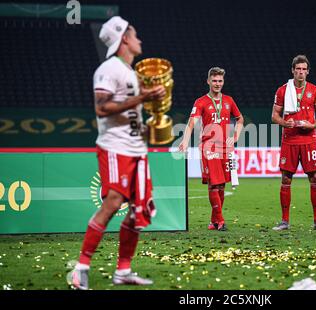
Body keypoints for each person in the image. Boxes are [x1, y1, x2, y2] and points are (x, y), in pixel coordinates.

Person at [69, 16, 166, 290]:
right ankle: (81, 268)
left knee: (139, 211)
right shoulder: (108, 69)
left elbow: (130, 110)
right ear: (124, 38)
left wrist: (150, 127)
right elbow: (102, 107)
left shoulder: (131, 73)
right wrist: (142, 98)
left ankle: (123, 271)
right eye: (135, 35)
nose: (140, 40)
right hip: (115, 149)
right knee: (112, 204)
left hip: (136, 149)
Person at [179, 67, 244, 231]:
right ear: (208, 81)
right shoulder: (200, 101)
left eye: (220, 81)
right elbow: (191, 123)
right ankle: (220, 221)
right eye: (214, 80)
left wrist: (235, 136)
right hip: (208, 147)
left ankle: (214, 221)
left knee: (221, 185)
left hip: (225, 149)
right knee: (214, 184)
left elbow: (240, 119)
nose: (217, 84)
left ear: (223, 82)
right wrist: (185, 142)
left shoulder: (229, 100)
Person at [271, 55, 316, 232]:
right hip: (289, 140)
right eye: (298, 69)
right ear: (293, 71)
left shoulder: (315, 90)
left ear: (308, 71)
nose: (301, 72)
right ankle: (284, 221)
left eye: (304, 69)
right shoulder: (282, 90)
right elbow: (274, 116)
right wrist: (283, 122)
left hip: (309, 139)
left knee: (315, 178)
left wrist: (312, 125)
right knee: (286, 178)